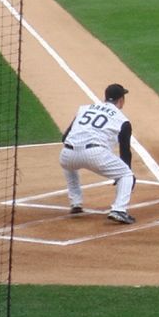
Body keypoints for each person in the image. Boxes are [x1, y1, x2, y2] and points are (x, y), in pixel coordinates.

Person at [59, 83, 137, 223]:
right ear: (121, 100)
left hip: (67, 154)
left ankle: (76, 203)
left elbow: (64, 138)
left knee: (69, 167)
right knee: (126, 175)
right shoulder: (123, 120)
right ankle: (119, 209)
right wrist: (124, 174)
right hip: (95, 154)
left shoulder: (84, 109)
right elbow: (125, 152)